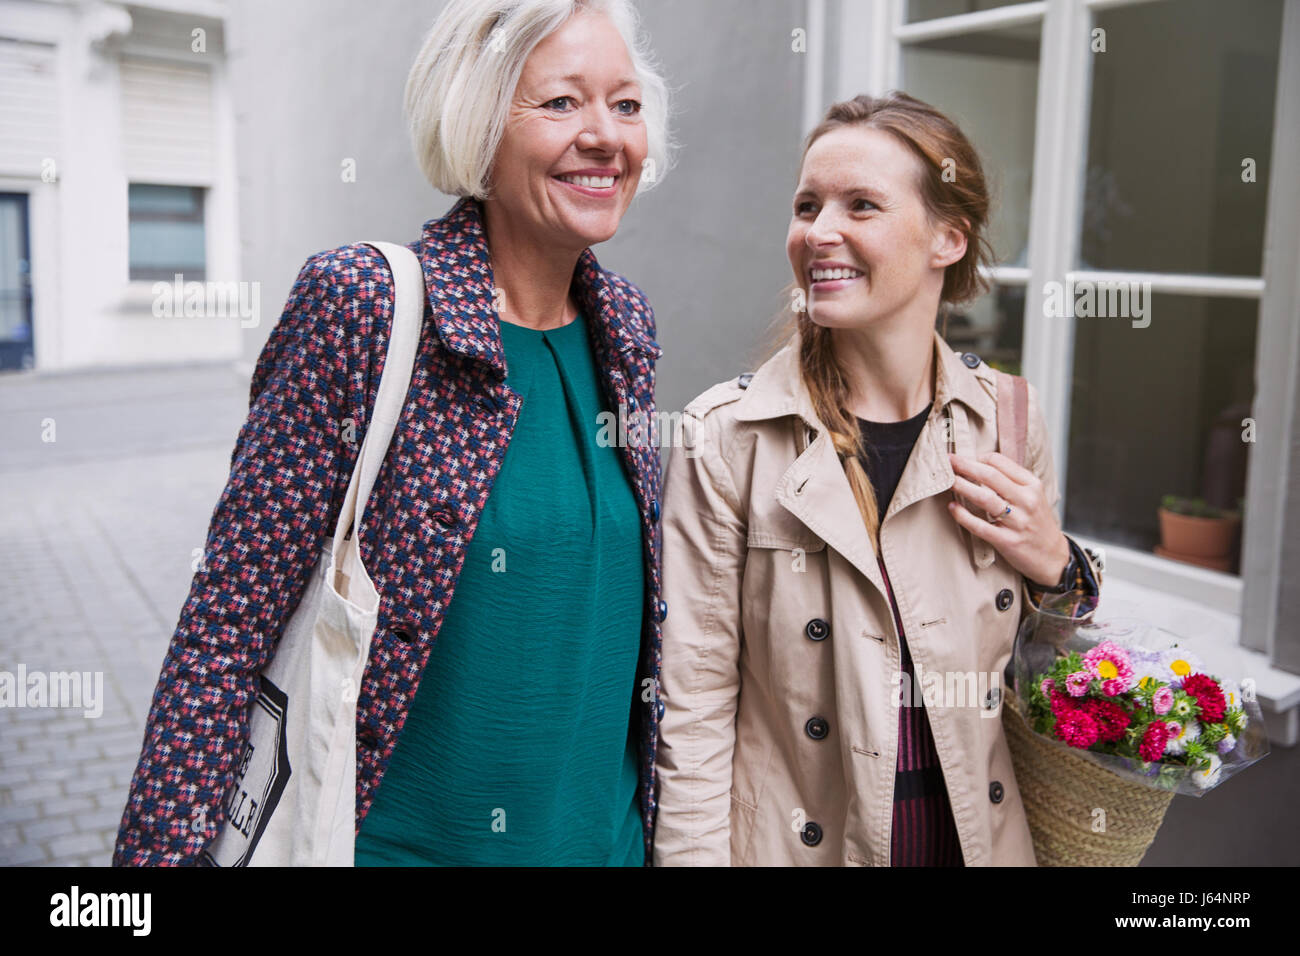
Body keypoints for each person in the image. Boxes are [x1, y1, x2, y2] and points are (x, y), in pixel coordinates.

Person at [113, 0, 674, 867]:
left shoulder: (624, 326)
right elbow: (227, 622)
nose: (604, 135)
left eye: (626, 104)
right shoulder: (368, 307)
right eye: (561, 103)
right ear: (478, 120)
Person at [652, 92, 1102, 867]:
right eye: (807, 205)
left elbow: (1048, 677)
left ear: (947, 239)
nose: (819, 232)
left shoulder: (1009, 419)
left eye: (862, 205)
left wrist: (1061, 568)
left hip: (975, 843)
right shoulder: (725, 437)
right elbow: (691, 709)